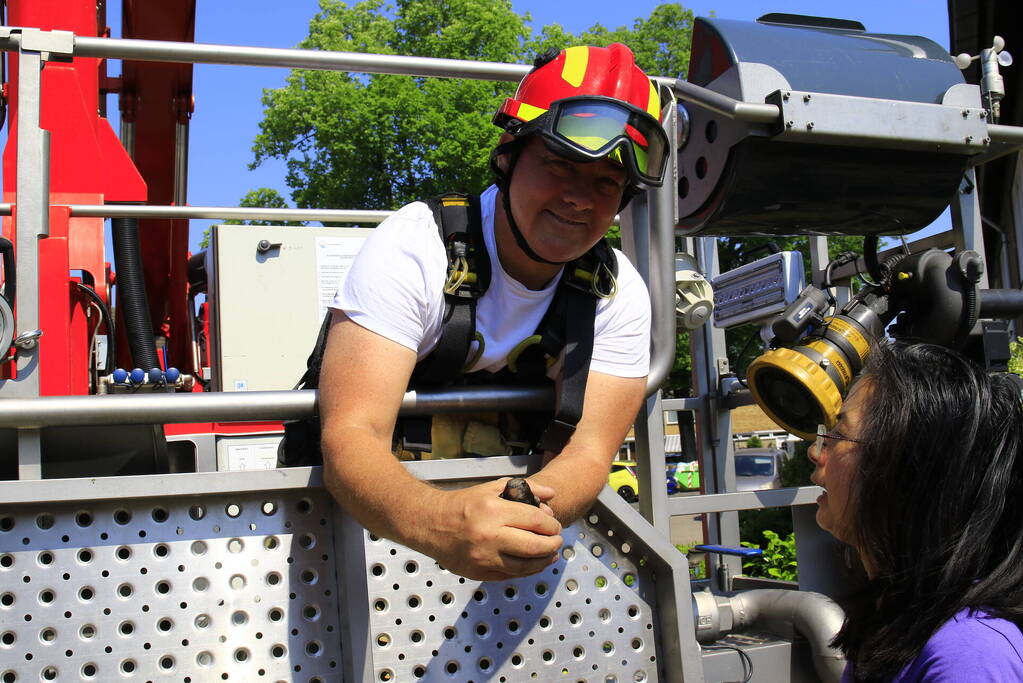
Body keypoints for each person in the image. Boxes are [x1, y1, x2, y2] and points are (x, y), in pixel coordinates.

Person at [315, 44, 667, 581]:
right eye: (559, 165)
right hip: (360, 543)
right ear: (507, 158)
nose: (579, 198)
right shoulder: (417, 246)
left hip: (517, 558)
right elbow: (352, 435)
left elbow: (590, 451)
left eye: (606, 182)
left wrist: (523, 526)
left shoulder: (615, 289)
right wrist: (441, 523)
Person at [808, 342, 1023, 682]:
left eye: (838, 435)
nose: (815, 451)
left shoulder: (965, 657)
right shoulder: (899, 620)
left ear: (904, 473)